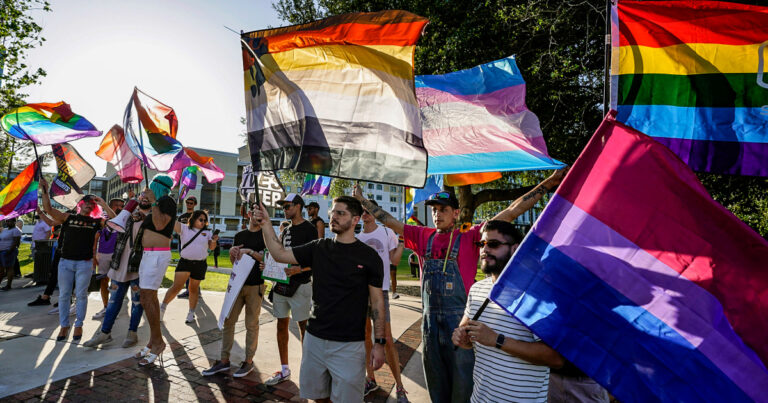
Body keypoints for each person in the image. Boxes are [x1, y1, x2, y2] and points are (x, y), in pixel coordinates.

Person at [353, 168, 567, 403]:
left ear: (455, 213)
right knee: (437, 390)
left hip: (461, 328)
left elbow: (512, 211)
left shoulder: (471, 236)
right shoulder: (424, 236)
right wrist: (363, 201)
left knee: (463, 390)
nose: (437, 215)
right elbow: (390, 221)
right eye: (434, 210)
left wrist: (550, 182)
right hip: (430, 328)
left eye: (443, 210)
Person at [253, 196, 386, 402]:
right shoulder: (319, 247)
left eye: (341, 213)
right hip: (314, 340)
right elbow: (279, 254)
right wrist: (266, 223)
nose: (334, 217)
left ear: (355, 220)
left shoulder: (369, 257)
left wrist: (379, 343)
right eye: (333, 212)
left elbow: (377, 303)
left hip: (349, 345)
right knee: (318, 397)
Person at [452, 220, 564, 402]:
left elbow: (555, 357)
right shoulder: (477, 289)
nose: (484, 250)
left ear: (515, 249)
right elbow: (465, 332)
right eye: (482, 244)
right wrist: (460, 337)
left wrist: (497, 340)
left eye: (493, 244)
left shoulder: (536, 296)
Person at [39, 178, 116, 343]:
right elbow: (48, 209)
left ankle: (79, 324)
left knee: (81, 295)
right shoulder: (68, 217)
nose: (89, 204)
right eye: (86, 202)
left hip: (85, 263)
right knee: (64, 295)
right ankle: (64, 325)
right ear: (80, 204)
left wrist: (103, 203)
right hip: (65, 262)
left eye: (92, 203)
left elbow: (115, 222)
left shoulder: (97, 222)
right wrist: (44, 190)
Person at [202, 202, 266, 378]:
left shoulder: (266, 235)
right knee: (229, 321)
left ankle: (248, 362)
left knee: (251, 324)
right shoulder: (240, 235)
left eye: (259, 212)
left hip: (255, 285)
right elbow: (235, 262)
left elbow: (267, 258)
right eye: (253, 212)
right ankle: (224, 361)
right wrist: (233, 252)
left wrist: (250, 251)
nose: (255, 215)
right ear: (249, 215)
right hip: (238, 285)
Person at [357, 200, 410, 402]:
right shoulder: (358, 237)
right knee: (365, 337)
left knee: (386, 339)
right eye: (362, 211)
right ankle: (371, 379)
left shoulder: (387, 233)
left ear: (375, 213)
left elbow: (394, 260)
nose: (365, 214)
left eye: (369, 210)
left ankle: (400, 386)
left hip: (381, 291)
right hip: (361, 293)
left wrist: (403, 242)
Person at [84, 195, 152, 349]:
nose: (144, 199)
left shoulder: (153, 218)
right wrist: (104, 204)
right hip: (119, 265)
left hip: (137, 267)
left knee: (136, 302)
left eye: (147, 198)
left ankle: (132, 333)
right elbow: (116, 219)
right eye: (142, 197)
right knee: (114, 302)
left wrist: (146, 215)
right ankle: (105, 333)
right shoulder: (127, 218)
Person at [264, 193, 318, 386]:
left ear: (298, 206)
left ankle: (308, 369)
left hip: (301, 285)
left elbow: (316, 260)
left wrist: (300, 269)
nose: (284, 210)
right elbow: (278, 254)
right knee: (281, 324)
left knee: (304, 327)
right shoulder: (286, 230)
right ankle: (284, 368)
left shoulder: (310, 229)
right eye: (283, 207)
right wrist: (267, 266)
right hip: (281, 285)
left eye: (287, 207)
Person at [134, 174, 177, 366]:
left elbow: (161, 224)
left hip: (157, 255)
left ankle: (158, 343)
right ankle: (153, 341)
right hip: (148, 255)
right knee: (146, 298)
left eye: (152, 185)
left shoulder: (167, 201)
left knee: (147, 297)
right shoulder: (156, 205)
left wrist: (152, 202)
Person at [160, 210, 217, 324]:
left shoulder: (207, 233)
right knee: (176, 287)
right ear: (194, 218)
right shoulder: (184, 228)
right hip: (185, 262)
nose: (203, 222)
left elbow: (211, 247)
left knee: (193, 289)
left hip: (200, 263)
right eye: (200, 219)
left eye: (205, 220)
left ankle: (191, 313)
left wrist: (214, 240)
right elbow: (172, 221)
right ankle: (162, 309)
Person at [91, 198, 125, 320]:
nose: (120, 208)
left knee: (116, 282)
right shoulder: (102, 218)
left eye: (122, 206)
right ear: (110, 206)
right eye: (117, 205)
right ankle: (106, 307)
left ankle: (113, 308)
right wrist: (94, 256)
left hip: (118, 254)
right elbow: (95, 238)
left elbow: (116, 218)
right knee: (103, 281)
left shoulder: (123, 219)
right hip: (103, 254)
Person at [27, 210, 60, 306]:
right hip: (53, 249)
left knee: (57, 275)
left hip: (50, 248)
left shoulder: (47, 222)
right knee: (54, 274)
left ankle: (66, 299)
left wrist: (44, 242)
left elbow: (49, 230)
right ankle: (46, 297)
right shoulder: (39, 222)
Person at [177, 195, 197, 299]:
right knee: (185, 269)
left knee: (194, 269)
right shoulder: (182, 217)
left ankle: (193, 290)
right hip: (183, 245)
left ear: (195, 204)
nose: (189, 204)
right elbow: (178, 230)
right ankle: (189, 290)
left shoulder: (198, 216)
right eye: (187, 202)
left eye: (191, 203)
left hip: (194, 245)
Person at [0, 219, 23, 291]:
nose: (7, 222)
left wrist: (9, 251)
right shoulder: (5, 230)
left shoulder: (16, 230)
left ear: (14, 222)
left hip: (8, 252)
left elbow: (16, 242)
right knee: (1, 269)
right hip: (1, 251)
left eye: (9, 221)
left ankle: (8, 285)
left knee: (9, 268)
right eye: (7, 221)